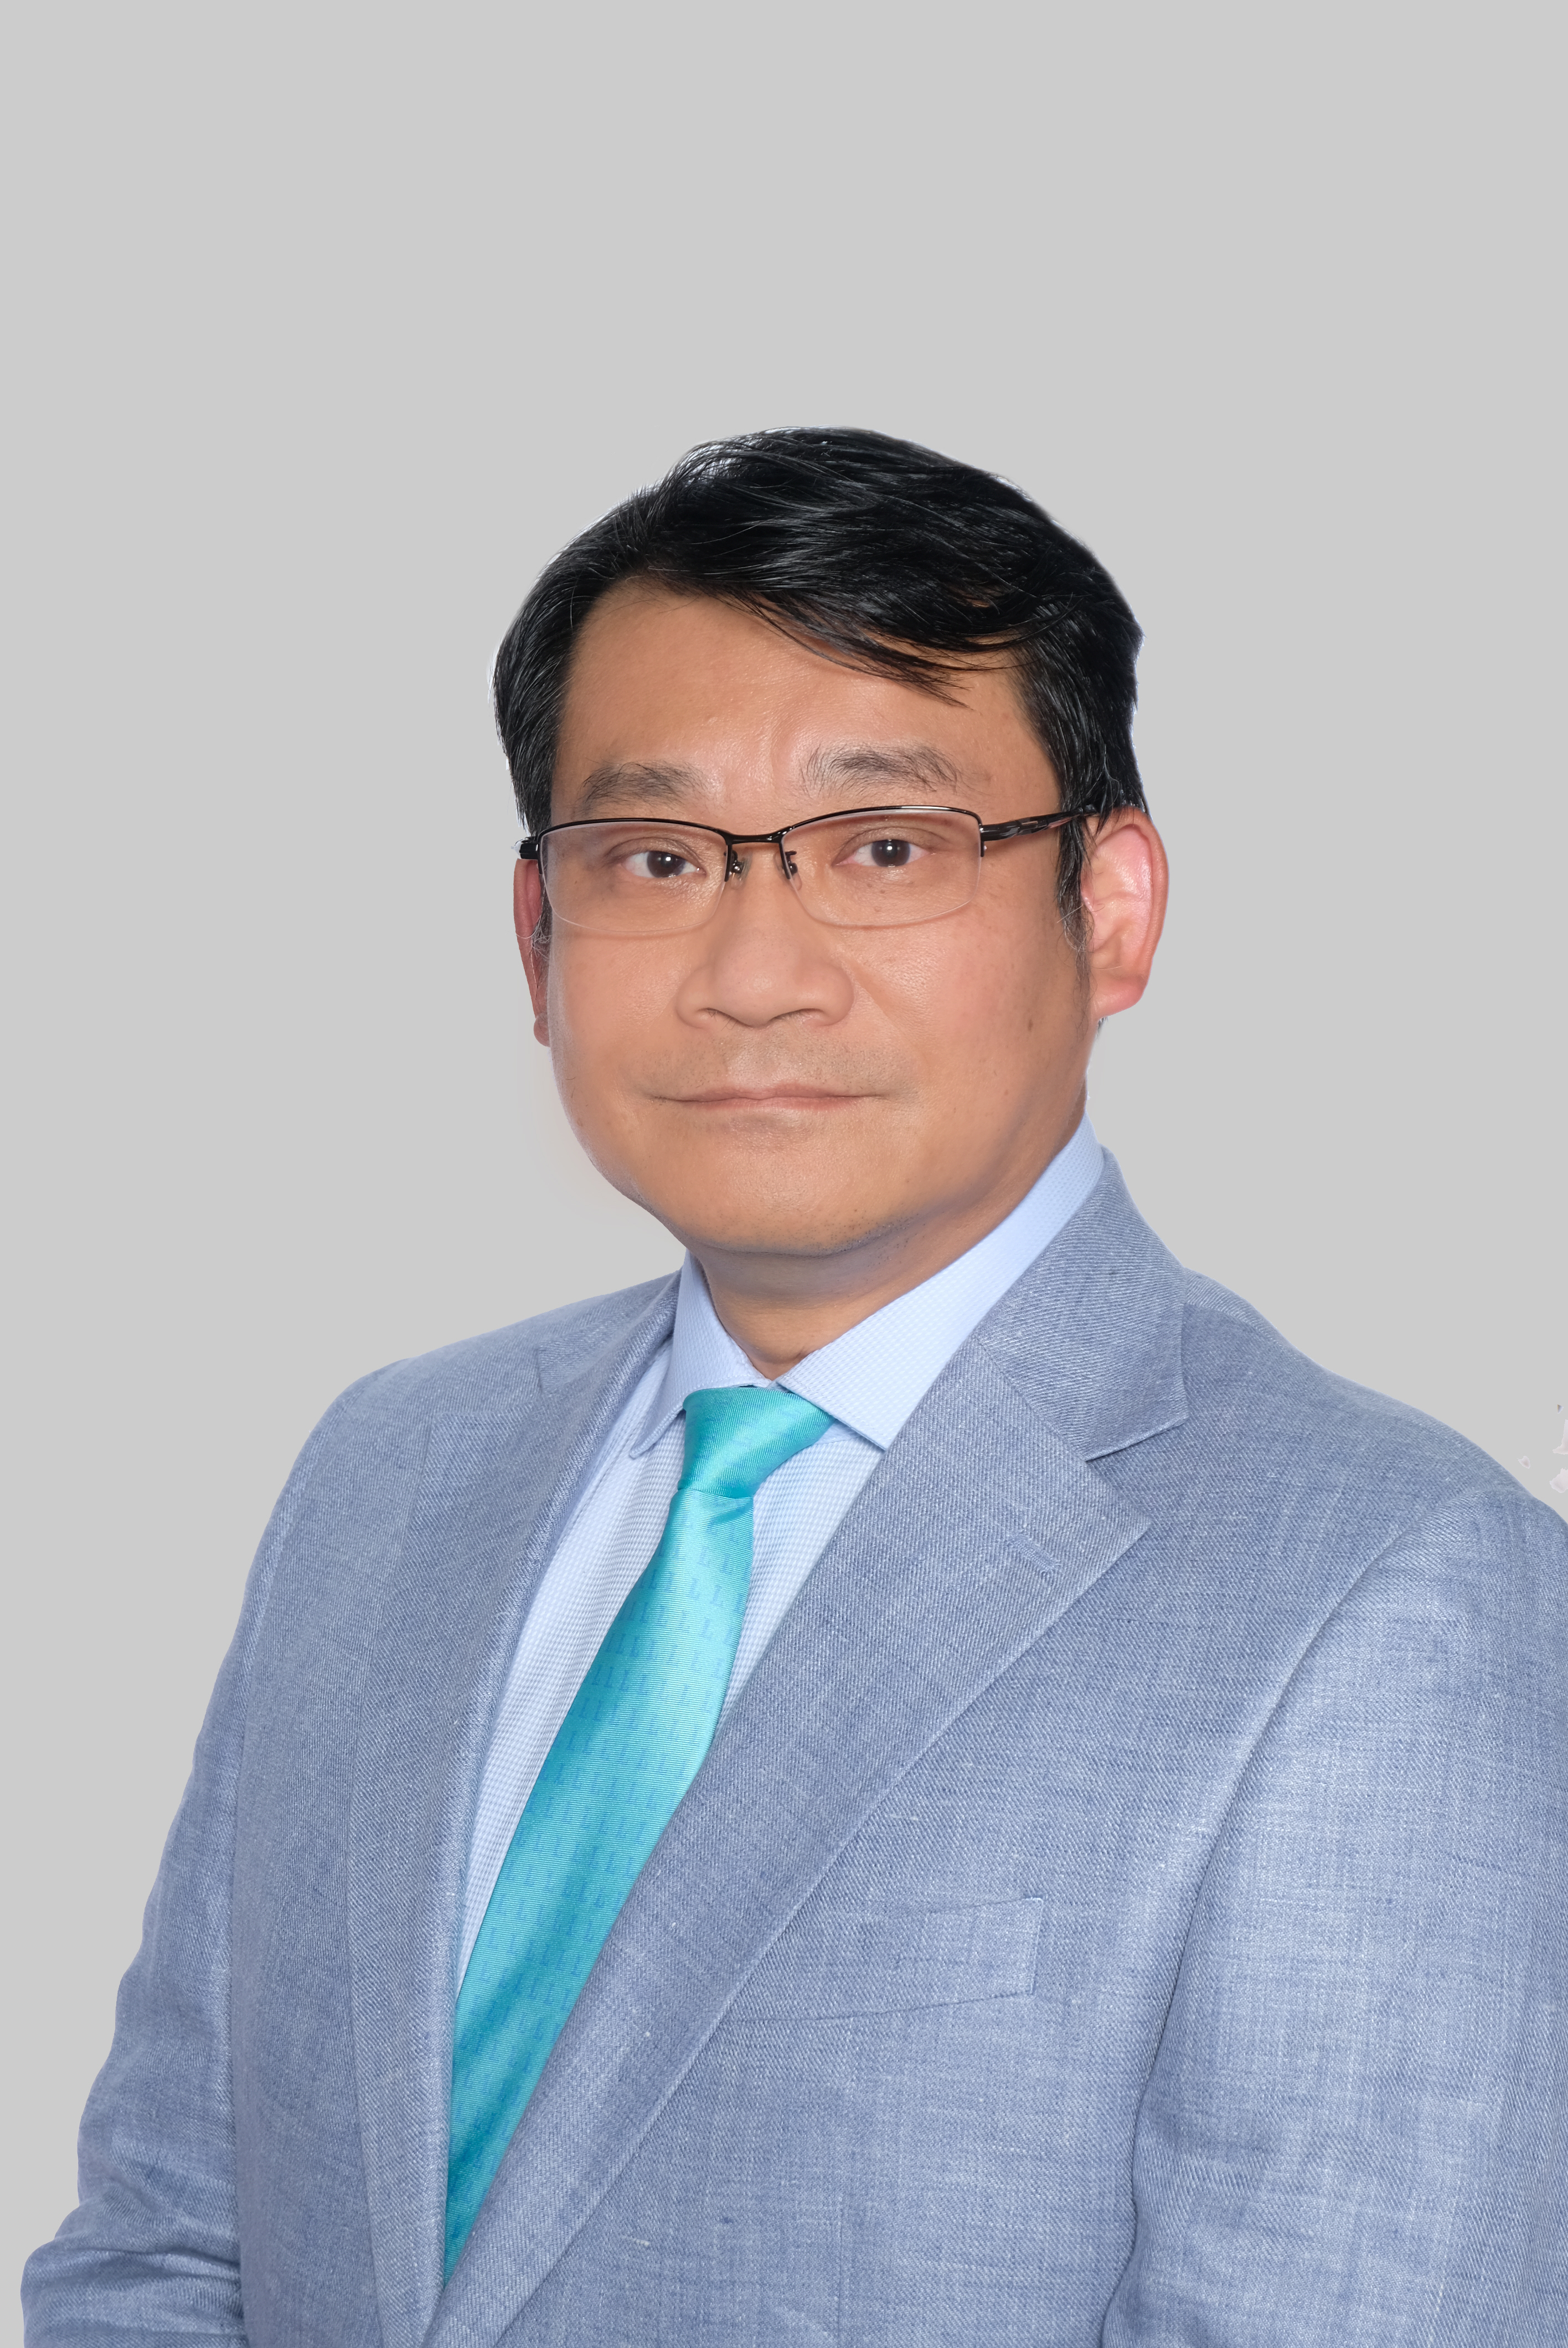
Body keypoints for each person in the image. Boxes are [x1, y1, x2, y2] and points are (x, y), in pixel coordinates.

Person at [23, 429, 1567, 2347]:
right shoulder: (389, 1472)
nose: (755, 972)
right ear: (538, 939)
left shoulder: (1398, 1596)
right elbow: (172, 2251)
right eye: (656, 859)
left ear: (1112, 910)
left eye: (885, 849)